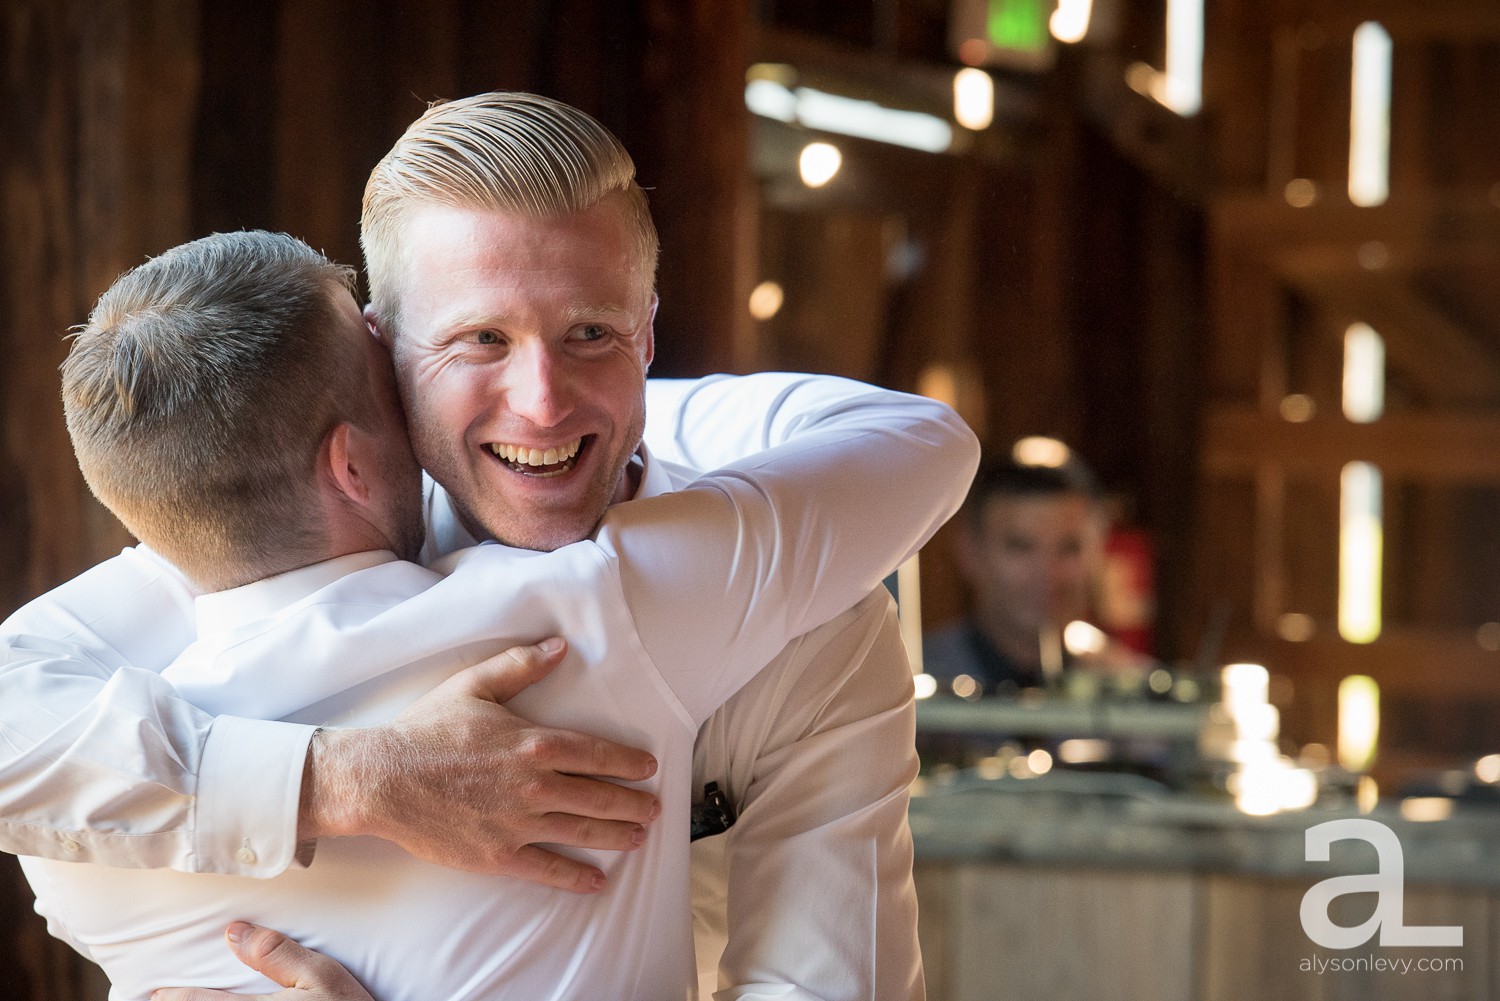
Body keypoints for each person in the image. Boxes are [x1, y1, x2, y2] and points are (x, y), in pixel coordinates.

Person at [0, 93, 974, 1000]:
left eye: (591, 331)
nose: (543, 400)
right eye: (479, 340)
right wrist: (345, 778)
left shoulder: (815, 612)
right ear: (384, 351)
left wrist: (619, 421)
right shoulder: (251, 554)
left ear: (648, 335)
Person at [921, 450, 1107, 695]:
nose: (1047, 573)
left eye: (1068, 548)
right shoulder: (910, 683)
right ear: (970, 553)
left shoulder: (1131, 694)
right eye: (1021, 547)